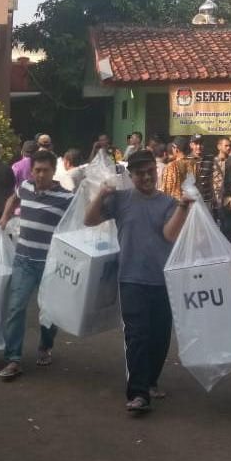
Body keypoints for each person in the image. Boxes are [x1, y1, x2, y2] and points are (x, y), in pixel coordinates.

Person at [85, 150, 193, 413]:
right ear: (131, 176)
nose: (146, 177)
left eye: (149, 172)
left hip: (161, 280)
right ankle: (138, 393)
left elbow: (169, 235)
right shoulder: (121, 200)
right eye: (140, 173)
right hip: (131, 279)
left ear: (155, 173)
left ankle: (151, 380)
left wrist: (182, 207)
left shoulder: (168, 202)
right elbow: (89, 220)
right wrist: (101, 194)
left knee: (159, 338)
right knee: (137, 336)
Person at [0, 150, 73, 380]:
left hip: (50, 265)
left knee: (49, 312)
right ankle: (13, 359)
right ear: (31, 171)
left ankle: (45, 346)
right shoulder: (26, 187)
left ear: (53, 171)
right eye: (36, 170)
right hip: (23, 260)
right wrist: (4, 218)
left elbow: (80, 218)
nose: (40, 175)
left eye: (45, 170)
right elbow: (13, 197)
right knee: (15, 308)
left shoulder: (66, 198)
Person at [162, 137, 193, 201]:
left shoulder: (171, 166)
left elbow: (167, 188)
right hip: (189, 202)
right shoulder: (193, 164)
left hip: (174, 203)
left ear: (176, 149)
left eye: (172, 147)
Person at [189, 134, 214, 209]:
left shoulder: (209, 159)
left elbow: (211, 180)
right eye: (196, 144)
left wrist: (213, 198)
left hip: (207, 201)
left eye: (201, 144)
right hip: (192, 201)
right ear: (191, 145)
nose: (198, 147)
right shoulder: (186, 160)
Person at [212, 137, 231, 214]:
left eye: (230, 146)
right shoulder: (213, 162)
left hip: (229, 201)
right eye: (226, 145)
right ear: (219, 147)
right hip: (216, 200)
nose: (229, 148)